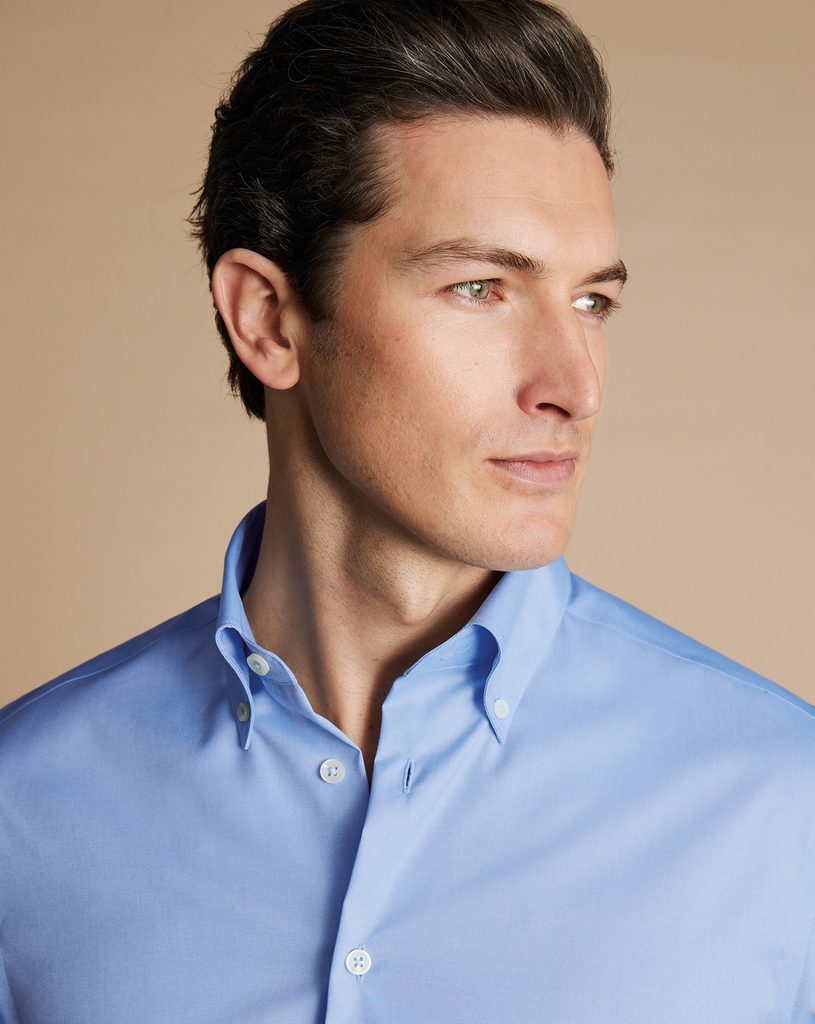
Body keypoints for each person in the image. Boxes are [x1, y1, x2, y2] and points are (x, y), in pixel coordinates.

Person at [1, 0, 813, 1020]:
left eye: (591, 302)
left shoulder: (782, 806)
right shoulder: (23, 811)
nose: (573, 385)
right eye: (480, 288)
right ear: (268, 319)